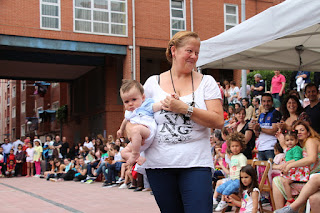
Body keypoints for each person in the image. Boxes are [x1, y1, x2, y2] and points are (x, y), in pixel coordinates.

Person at [142, 31, 224, 212]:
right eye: (189, 51)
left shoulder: (207, 82)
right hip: (159, 164)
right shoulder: (152, 83)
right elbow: (139, 115)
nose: (194, 56)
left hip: (196, 163)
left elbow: (218, 121)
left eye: (197, 52)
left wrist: (185, 108)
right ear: (174, 51)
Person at [273, 120, 320, 210]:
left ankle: (284, 209)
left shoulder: (311, 140)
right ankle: (281, 210)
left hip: (314, 178)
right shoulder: (300, 145)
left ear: (308, 132)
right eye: (296, 131)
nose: (299, 132)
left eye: (302, 130)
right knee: (278, 180)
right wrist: (283, 143)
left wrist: (290, 165)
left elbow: (311, 158)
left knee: (278, 181)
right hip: (307, 177)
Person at [117, 79, 162, 165]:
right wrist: (121, 130)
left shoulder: (145, 106)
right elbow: (125, 120)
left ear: (143, 98)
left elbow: (157, 106)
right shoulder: (129, 113)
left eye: (134, 99)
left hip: (147, 131)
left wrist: (166, 103)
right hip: (137, 140)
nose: (130, 104)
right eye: (126, 101)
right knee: (123, 152)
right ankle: (139, 158)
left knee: (135, 129)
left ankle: (135, 154)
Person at [214, 132, 247, 211]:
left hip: (239, 180)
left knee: (227, 190)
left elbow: (243, 169)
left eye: (237, 146)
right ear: (229, 147)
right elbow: (231, 170)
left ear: (241, 147)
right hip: (232, 179)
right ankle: (215, 200)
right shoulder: (233, 157)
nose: (234, 148)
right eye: (232, 146)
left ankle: (223, 201)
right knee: (219, 189)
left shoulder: (241, 157)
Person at [280, 130, 310, 205]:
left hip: (297, 169)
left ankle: (290, 199)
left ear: (296, 140)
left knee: (285, 182)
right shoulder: (289, 149)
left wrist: (288, 162)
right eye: (287, 140)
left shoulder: (296, 148)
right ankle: (289, 197)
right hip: (292, 169)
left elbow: (297, 158)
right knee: (283, 181)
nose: (289, 142)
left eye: (291, 140)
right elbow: (289, 158)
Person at [250, 93, 282, 160]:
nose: (266, 103)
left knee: (271, 169)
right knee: (262, 170)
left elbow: (274, 131)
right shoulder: (261, 115)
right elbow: (258, 134)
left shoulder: (276, 113)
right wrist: (255, 128)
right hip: (261, 148)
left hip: (271, 147)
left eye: (268, 101)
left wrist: (260, 129)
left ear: (272, 102)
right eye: (264, 101)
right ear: (261, 102)